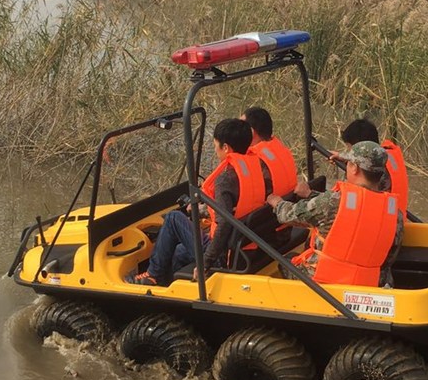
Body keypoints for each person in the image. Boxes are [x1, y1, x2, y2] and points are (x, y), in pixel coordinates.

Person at [127, 118, 270, 286]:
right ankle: (167, 287)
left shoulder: (225, 179)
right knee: (178, 252)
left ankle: (152, 274)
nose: (215, 149)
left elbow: (223, 224)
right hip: (244, 244)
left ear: (225, 147)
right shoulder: (256, 169)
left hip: (223, 255)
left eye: (216, 145)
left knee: (173, 219)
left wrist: (206, 263)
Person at [267, 141, 403, 288]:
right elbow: (389, 257)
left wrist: (277, 203)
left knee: (286, 260)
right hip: (369, 284)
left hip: (326, 284)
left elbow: (288, 215)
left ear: (354, 168)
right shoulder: (395, 213)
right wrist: (310, 194)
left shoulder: (332, 201)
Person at [340, 116, 409, 215]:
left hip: (374, 216)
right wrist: (345, 158)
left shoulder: (379, 173)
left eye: (350, 149)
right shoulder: (384, 158)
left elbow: (352, 196)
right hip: (393, 218)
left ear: (362, 148)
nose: (349, 152)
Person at [241, 106, 298, 197]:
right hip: (289, 201)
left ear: (251, 131)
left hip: (269, 208)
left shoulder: (254, 161)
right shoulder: (280, 149)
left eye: (240, 127)